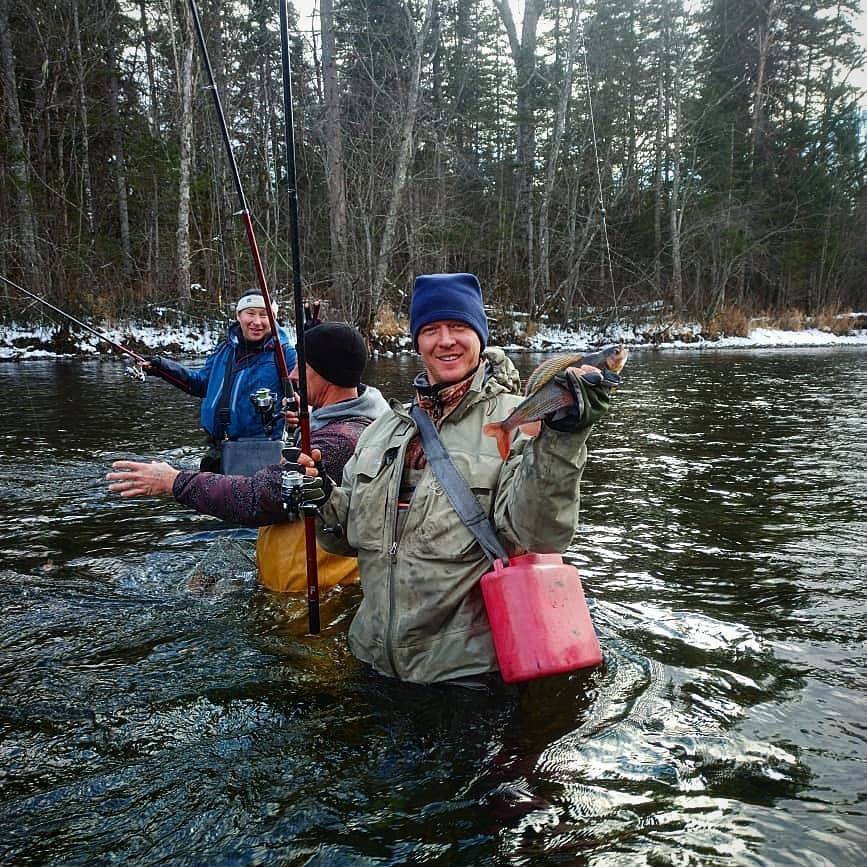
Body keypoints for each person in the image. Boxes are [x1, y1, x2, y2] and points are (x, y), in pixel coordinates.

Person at [297, 273, 616, 685]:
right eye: (431, 330)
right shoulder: (383, 430)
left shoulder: (526, 421)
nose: (445, 340)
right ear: (417, 341)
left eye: (459, 328)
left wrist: (563, 439)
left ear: (480, 336)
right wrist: (321, 497)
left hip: (464, 682)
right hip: (372, 668)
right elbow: (346, 540)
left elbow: (540, 534)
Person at [109, 322, 389, 593]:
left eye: (301, 367)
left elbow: (256, 498)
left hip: (311, 596)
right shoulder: (342, 420)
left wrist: (173, 481)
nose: (291, 376)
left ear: (326, 374)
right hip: (290, 580)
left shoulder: (339, 440)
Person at [143, 291, 297, 471]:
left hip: (260, 451)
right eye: (251, 313)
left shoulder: (285, 354)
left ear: (274, 319)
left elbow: (305, 397)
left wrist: (297, 411)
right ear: (238, 316)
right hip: (218, 448)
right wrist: (161, 367)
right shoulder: (224, 349)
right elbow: (201, 385)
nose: (257, 322)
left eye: (264, 315)